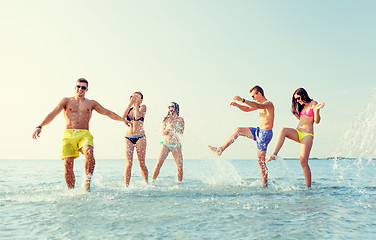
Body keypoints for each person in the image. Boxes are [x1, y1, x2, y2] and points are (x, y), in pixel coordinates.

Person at [32, 78, 129, 191]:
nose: (80, 89)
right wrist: (40, 126)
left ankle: (87, 181)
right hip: (69, 135)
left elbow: (107, 112)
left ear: (86, 89)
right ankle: (71, 191)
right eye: (78, 86)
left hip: (84, 134)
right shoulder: (66, 101)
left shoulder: (91, 103)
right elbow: (52, 114)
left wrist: (123, 120)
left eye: (83, 87)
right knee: (67, 164)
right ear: (75, 87)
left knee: (89, 151)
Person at [209, 86, 274, 187]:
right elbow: (247, 109)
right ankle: (221, 149)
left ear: (259, 94)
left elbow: (256, 105)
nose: (252, 98)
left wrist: (242, 99)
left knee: (260, 161)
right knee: (238, 130)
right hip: (259, 131)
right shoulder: (260, 104)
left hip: (265, 134)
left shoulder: (268, 104)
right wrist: (237, 105)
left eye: (253, 96)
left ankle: (265, 185)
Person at [267, 88, 325, 188]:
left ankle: (308, 187)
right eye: (295, 99)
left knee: (303, 161)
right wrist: (294, 113)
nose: (297, 101)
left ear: (304, 95)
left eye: (298, 98)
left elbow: (316, 121)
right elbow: (303, 119)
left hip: (307, 135)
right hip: (298, 132)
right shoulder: (302, 107)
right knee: (283, 130)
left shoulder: (313, 103)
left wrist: (317, 110)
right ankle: (274, 154)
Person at [152, 102, 185, 182]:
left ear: (176, 108)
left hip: (176, 145)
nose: (170, 108)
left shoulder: (180, 120)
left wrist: (174, 128)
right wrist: (168, 128)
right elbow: (163, 133)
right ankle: (152, 181)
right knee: (158, 164)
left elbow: (181, 133)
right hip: (165, 144)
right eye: (169, 106)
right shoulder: (166, 120)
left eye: (172, 106)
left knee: (180, 167)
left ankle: (179, 184)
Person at [123, 92, 148, 186]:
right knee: (129, 163)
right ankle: (126, 186)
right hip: (128, 137)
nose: (134, 98)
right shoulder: (129, 109)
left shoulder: (143, 107)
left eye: (137, 97)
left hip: (140, 137)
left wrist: (136, 104)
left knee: (141, 162)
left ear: (141, 100)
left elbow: (137, 117)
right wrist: (130, 103)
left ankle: (146, 183)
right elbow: (123, 117)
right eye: (133, 96)